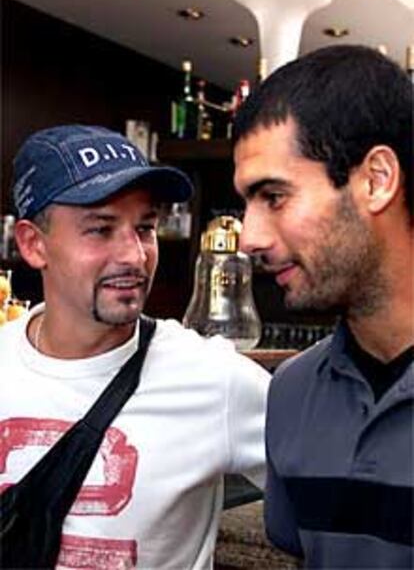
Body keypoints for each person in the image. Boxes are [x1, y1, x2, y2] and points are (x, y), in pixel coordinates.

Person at [0, 124, 270, 569]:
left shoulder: (212, 379)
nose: (135, 255)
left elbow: (345, 500)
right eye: (101, 229)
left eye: (145, 228)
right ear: (33, 244)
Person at [232, 45, 413, 568]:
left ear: (376, 180)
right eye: (246, 202)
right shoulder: (291, 395)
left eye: (274, 196)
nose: (249, 237)